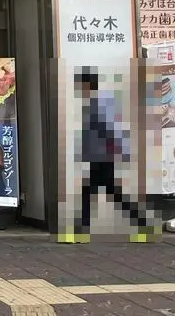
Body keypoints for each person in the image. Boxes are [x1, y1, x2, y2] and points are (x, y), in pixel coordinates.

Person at [60, 68, 158, 243]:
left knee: (95, 193)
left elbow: (113, 130)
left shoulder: (100, 104)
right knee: (101, 193)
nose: (79, 89)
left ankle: (81, 232)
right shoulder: (94, 103)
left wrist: (122, 152)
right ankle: (144, 226)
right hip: (99, 157)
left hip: (104, 158)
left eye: (80, 85)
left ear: (87, 85)